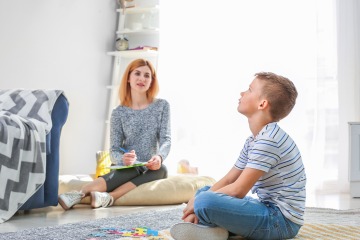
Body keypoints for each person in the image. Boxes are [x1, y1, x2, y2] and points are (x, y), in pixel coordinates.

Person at [170, 72, 306, 240]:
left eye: (249, 90)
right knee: (204, 191)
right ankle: (214, 229)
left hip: (281, 222)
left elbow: (238, 191)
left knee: (205, 201)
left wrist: (197, 204)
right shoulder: (253, 140)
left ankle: (207, 226)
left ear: (262, 104)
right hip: (267, 209)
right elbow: (229, 180)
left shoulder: (269, 140)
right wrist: (197, 200)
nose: (242, 93)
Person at [58, 58, 171, 210]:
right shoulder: (118, 113)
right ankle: (78, 194)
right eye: (137, 73)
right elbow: (114, 150)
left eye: (147, 75)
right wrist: (123, 159)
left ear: (152, 81)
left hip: (150, 167)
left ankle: (110, 197)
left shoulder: (162, 106)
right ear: (129, 78)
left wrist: (159, 157)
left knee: (162, 169)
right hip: (127, 167)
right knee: (132, 169)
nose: (142, 78)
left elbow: (166, 139)